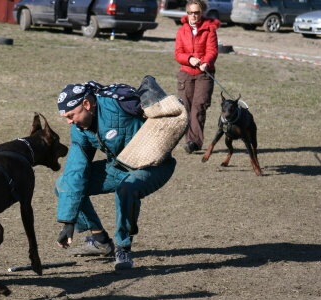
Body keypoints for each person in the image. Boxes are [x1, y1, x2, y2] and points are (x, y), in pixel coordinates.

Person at [54, 81, 177, 270]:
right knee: (63, 184)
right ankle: (100, 240)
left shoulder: (119, 104)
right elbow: (75, 171)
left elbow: (163, 108)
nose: (69, 121)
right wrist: (68, 221)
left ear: (86, 105)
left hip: (155, 166)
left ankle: (123, 248)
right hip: (120, 166)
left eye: (71, 115)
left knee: (126, 189)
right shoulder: (80, 130)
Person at [175, 0, 220, 154]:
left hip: (204, 74)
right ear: (186, 13)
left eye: (196, 12)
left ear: (201, 13)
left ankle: (194, 142)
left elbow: (212, 50)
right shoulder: (181, 31)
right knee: (186, 108)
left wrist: (206, 62)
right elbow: (178, 53)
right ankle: (189, 140)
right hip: (186, 73)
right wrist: (190, 59)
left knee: (199, 107)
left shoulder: (210, 30)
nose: (193, 15)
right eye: (190, 13)